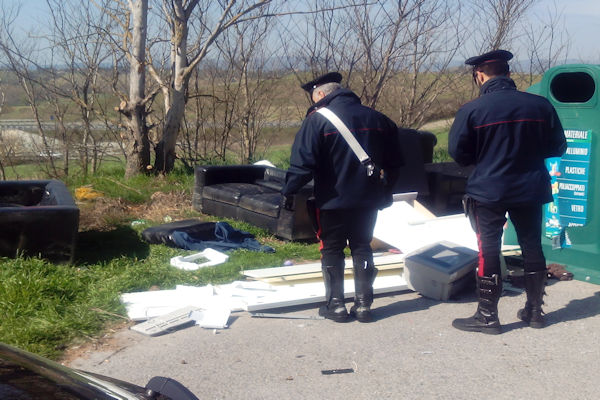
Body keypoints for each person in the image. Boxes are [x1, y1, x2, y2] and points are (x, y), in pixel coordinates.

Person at [448, 50, 567, 334]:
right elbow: (557, 146)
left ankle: (487, 316)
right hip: (530, 186)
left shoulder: (472, 109)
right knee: (531, 245)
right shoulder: (540, 106)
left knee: (488, 248)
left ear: (479, 75)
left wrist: (485, 158)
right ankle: (535, 312)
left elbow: (458, 153)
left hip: (489, 188)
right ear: (509, 73)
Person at [281, 72, 403, 323]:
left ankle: (336, 306)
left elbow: (302, 165)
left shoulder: (317, 120)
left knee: (332, 249)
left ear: (321, 94)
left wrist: (288, 192)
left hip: (331, 200)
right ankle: (364, 306)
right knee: (362, 246)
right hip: (367, 200)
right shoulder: (378, 118)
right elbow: (397, 162)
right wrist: (386, 190)